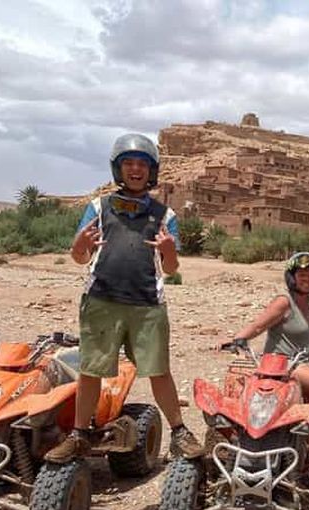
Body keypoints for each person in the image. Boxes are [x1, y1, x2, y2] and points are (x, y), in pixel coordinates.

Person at [46, 133, 203, 463]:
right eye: (128, 164)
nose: (135, 170)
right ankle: (78, 435)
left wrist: (169, 251)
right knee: (91, 370)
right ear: (118, 170)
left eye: (142, 164)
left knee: (159, 370)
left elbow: (171, 268)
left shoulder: (164, 215)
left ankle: (179, 432)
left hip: (147, 305)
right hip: (102, 300)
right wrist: (77, 248)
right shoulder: (97, 208)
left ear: (152, 171)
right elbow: (80, 256)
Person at [216, 252, 309, 404]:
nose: (307, 279)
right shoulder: (284, 301)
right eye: (302, 275)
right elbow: (258, 325)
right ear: (292, 277)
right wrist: (237, 339)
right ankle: (307, 425)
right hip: (287, 363)